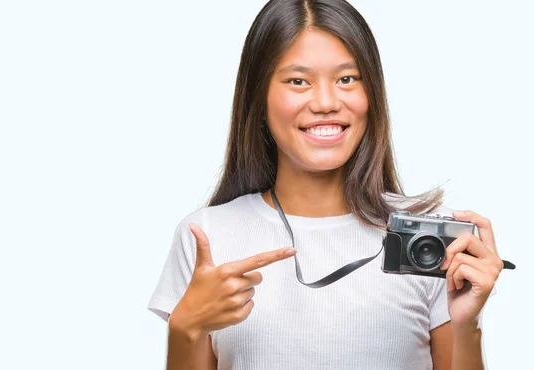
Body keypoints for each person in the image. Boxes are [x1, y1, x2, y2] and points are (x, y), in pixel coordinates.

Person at [147, 0, 505, 369]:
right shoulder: (208, 234)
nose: (325, 102)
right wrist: (185, 328)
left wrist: (468, 327)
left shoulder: (429, 239)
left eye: (347, 79)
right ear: (260, 96)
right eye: (298, 81)